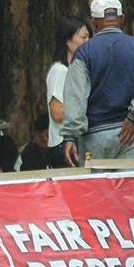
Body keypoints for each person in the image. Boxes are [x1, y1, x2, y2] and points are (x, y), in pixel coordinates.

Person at [62, 0, 134, 166]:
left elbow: (76, 96)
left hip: (95, 137)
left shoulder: (83, 53)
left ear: (94, 22)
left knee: (97, 192)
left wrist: (70, 136)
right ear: (122, 19)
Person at [46, 16, 92, 168]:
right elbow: (57, 112)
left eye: (89, 37)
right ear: (67, 41)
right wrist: (86, 105)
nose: (87, 42)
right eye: (83, 37)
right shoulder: (60, 71)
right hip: (63, 144)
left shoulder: (78, 71)